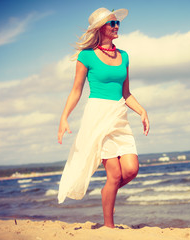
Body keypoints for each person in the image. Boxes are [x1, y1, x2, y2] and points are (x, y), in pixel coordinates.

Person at [57, 7, 149, 228]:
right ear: (100, 28)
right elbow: (76, 90)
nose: (116, 26)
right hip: (98, 115)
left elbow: (126, 93)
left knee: (131, 169)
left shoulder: (124, 56)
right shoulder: (86, 56)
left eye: (118, 23)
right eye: (112, 23)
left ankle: (108, 192)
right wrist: (64, 117)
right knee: (114, 174)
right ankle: (109, 227)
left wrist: (142, 111)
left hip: (119, 114)